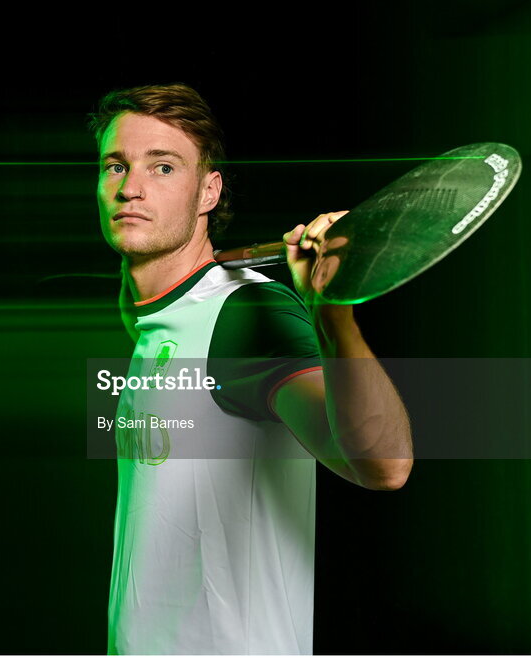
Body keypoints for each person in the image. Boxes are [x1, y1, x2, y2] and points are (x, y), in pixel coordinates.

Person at [89, 82, 414, 655]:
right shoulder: (153, 315)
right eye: (116, 166)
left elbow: (385, 467)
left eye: (163, 168)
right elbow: (145, 299)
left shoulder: (248, 314)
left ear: (208, 190)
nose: (131, 188)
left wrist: (332, 316)